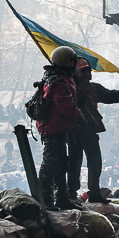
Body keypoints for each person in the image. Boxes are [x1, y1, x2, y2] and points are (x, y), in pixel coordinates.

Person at [67, 58, 119, 203]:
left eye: (88, 71)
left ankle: (92, 192)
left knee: (94, 163)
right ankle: (72, 192)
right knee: (75, 164)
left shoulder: (92, 88)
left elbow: (112, 96)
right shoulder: (69, 88)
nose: (87, 74)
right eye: (84, 71)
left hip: (88, 131)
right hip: (74, 132)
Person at [35, 46, 81, 210]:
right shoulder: (58, 81)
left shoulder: (55, 77)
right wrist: (78, 116)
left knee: (61, 163)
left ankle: (62, 197)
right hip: (54, 128)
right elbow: (66, 105)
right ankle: (46, 200)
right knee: (50, 164)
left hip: (56, 127)